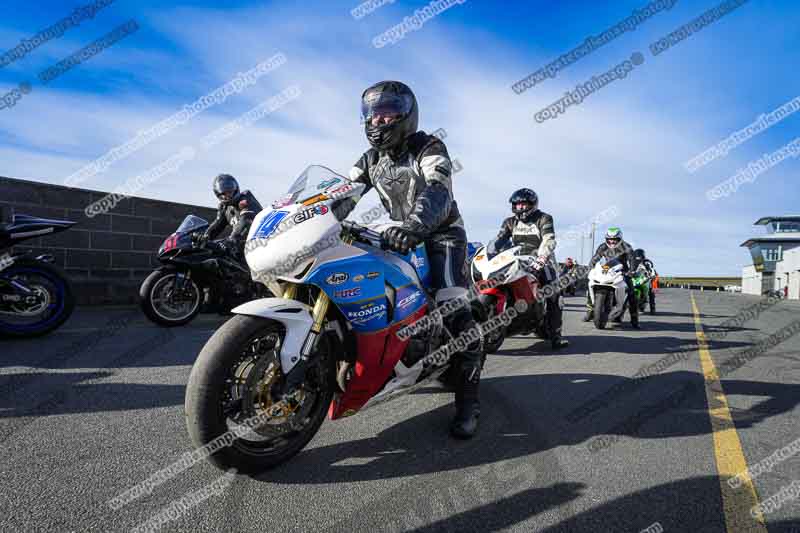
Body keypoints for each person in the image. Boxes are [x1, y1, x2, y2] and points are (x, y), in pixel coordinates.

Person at [332, 80, 482, 439]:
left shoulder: (428, 147)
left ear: (408, 115)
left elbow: (438, 188)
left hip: (440, 234)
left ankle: (468, 404)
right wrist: (318, 214)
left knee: (454, 310)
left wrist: (416, 224)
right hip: (394, 232)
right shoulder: (369, 159)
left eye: (388, 113)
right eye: (373, 114)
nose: (379, 121)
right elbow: (341, 191)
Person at [490, 188, 570, 350]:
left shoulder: (544, 218)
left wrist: (542, 258)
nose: (520, 208)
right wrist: (488, 254)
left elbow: (549, 240)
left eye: (523, 204)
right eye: (517, 205)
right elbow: (497, 242)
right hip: (516, 258)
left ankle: (556, 335)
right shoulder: (509, 222)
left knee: (553, 292)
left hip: (541, 259)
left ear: (532, 204)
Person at [584, 227, 639, 328]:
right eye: (609, 239)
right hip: (606, 270)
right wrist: (590, 267)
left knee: (632, 292)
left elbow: (632, 259)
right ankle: (590, 310)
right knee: (590, 284)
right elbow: (595, 258)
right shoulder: (603, 247)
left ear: (620, 239)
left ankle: (634, 319)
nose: (612, 241)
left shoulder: (626, 246)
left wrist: (632, 271)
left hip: (622, 271)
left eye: (615, 239)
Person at [201, 174, 263, 261]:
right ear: (218, 195)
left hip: (259, 246)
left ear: (235, 188)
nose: (228, 195)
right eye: (224, 193)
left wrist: (231, 239)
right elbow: (217, 225)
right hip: (240, 247)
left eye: (230, 191)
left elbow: (245, 220)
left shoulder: (245, 199)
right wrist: (204, 237)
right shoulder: (224, 208)